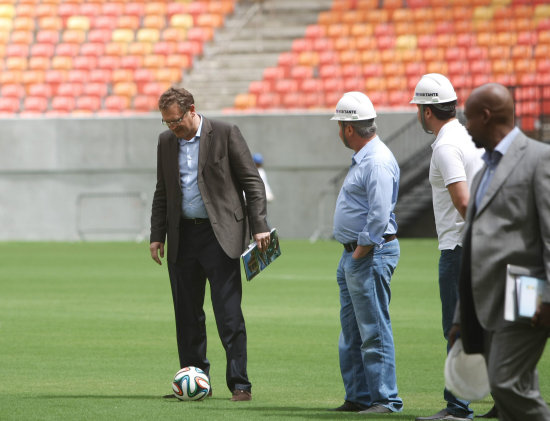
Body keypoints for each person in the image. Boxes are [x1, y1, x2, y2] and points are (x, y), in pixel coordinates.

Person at [149, 87, 271, 402]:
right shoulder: (165, 142)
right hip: (182, 238)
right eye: (167, 123)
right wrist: (156, 235)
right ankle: (194, 381)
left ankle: (240, 384)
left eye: (176, 121)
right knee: (187, 315)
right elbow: (162, 191)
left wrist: (259, 227)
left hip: (221, 237)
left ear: (192, 109)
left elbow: (252, 183)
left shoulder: (226, 133)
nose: (172, 128)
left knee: (228, 314)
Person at [449, 83, 550, 420]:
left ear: (486, 116)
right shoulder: (483, 171)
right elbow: (475, 243)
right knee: (509, 389)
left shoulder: (540, 158)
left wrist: (549, 297)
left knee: (506, 382)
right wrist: (461, 316)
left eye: (468, 119)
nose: (465, 126)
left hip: (527, 293)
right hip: (485, 298)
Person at [410, 74, 483, 421]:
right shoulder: (468, 136)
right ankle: (504, 400)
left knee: (456, 327)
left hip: (459, 248)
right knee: (488, 327)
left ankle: (457, 407)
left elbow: (463, 201)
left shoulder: (445, 146)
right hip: (477, 247)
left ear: (426, 111)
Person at [330, 91, 403, 414]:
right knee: (353, 332)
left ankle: (385, 399)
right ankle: (359, 396)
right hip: (355, 255)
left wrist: (359, 251)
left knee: (373, 329)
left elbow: (379, 214)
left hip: (369, 254)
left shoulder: (376, 161)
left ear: (348, 128)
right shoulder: (368, 157)